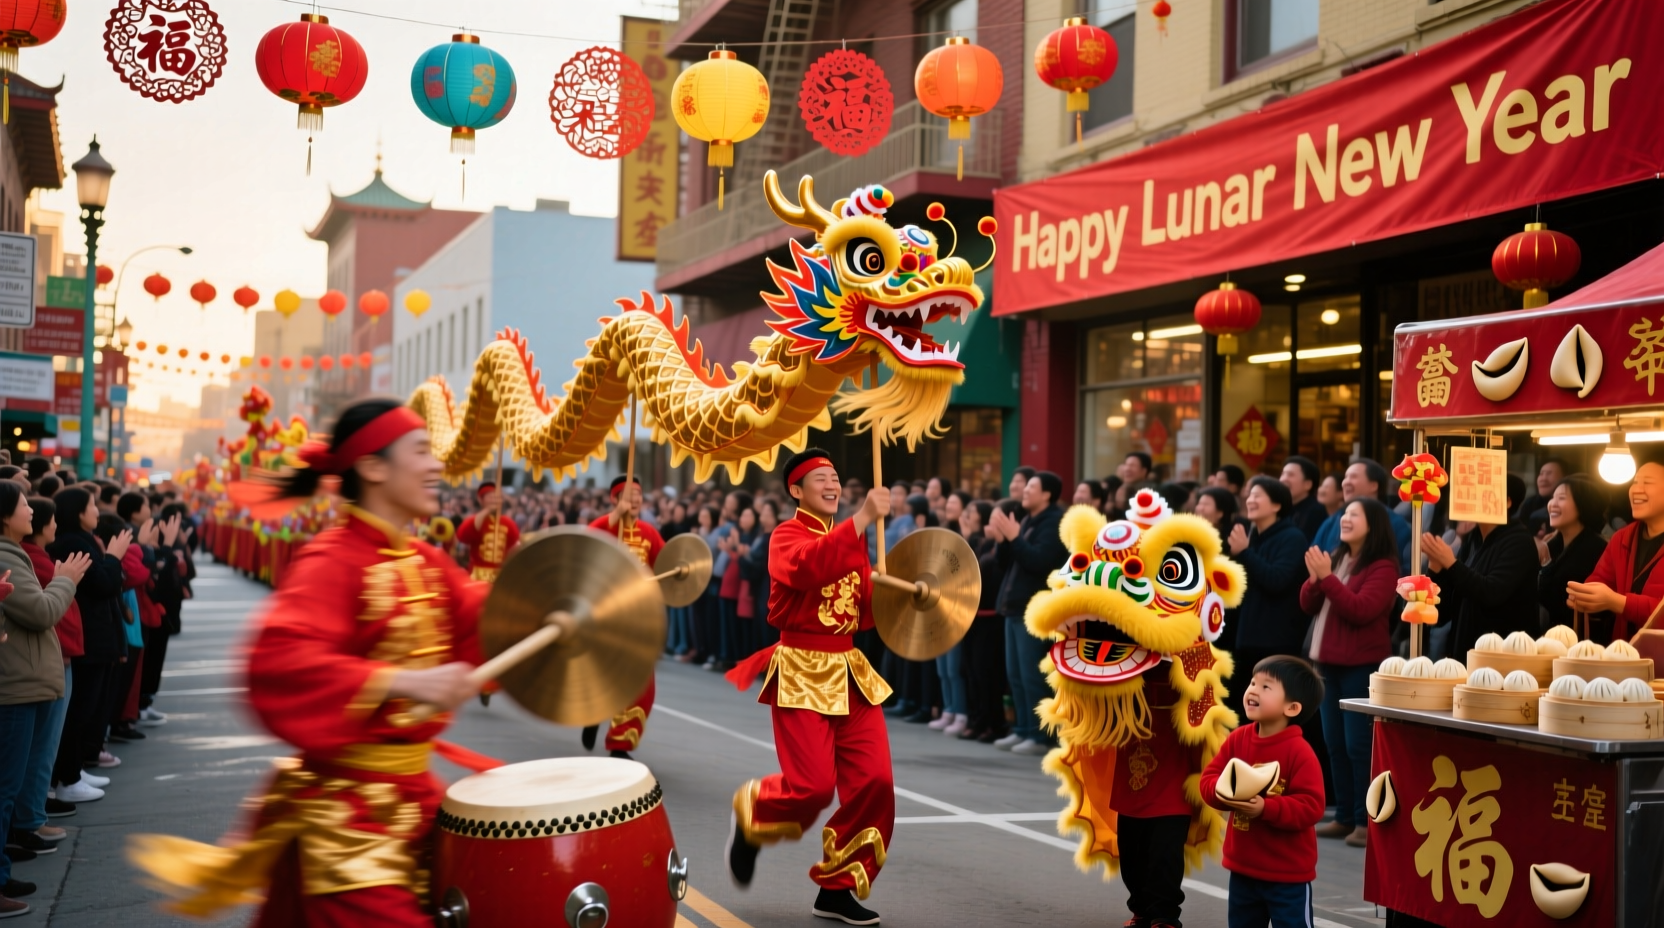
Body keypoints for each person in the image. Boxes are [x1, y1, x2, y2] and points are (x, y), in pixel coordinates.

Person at [129, 398, 489, 925]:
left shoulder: (427, 561)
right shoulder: (332, 558)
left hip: (419, 805)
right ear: (372, 466)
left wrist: (569, 593)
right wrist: (403, 682)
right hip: (350, 826)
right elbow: (280, 660)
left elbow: (486, 619)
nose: (437, 466)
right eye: (421, 451)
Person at [724, 449, 895, 926]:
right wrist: (862, 518)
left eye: (836, 477)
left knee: (876, 782)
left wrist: (909, 595)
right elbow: (806, 569)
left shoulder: (854, 536)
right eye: (821, 477)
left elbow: (863, 612)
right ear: (797, 490)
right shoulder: (787, 535)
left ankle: (837, 889)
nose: (833, 484)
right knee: (813, 787)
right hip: (801, 669)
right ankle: (754, 815)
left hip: (849, 669)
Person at [0, 486, 85, 913]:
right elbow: (42, 612)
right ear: (4, 516)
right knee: (5, 786)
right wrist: (65, 581)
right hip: (14, 685)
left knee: (9, 784)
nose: (31, 509)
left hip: (19, 681)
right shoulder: (6, 556)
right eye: (23, 504)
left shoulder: (12, 552)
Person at [1299, 497, 1398, 849]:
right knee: (1334, 744)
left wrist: (1326, 579)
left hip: (1360, 665)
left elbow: (1361, 609)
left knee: (1358, 745)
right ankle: (1343, 816)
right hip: (1326, 663)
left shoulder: (1383, 566)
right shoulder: (1339, 557)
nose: (1345, 518)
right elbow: (1309, 605)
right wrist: (1315, 581)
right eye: (1344, 513)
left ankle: (1363, 820)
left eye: (1354, 514)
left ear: (1374, 524)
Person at [1199, 657, 1326, 928]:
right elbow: (1209, 778)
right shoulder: (1238, 739)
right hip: (1243, 868)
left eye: (1266, 687)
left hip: (1287, 875)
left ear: (1291, 707)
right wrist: (1221, 793)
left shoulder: (1300, 752)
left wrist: (1265, 808)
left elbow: (1311, 806)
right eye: (1253, 682)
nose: (1253, 690)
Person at [47, 487, 130, 799]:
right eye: (92, 505)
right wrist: (114, 557)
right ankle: (66, 778)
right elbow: (103, 584)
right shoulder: (72, 543)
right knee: (79, 710)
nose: (97, 511)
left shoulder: (79, 540)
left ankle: (74, 770)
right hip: (88, 638)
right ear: (79, 512)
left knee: (86, 708)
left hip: (95, 636)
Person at [583, 475, 666, 760]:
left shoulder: (649, 533)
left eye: (639, 495)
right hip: (604, 613)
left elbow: (666, 565)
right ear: (614, 499)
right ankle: (595, 711)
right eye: (628, 495)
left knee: (641, 682)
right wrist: (613, 518)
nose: (635, 500)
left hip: (638, 617)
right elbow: (586, 543)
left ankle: (620, 744)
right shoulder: (602, 527)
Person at [988, 470, 1068, 757]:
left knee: (1032, 674)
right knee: (1016, 674)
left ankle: (1040, 735)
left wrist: (1015, 538)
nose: (1024, 491)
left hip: (1033, 609)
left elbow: (1040, 562)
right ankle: (1022, 728)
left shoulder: (1054, 523)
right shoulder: (1026, 520)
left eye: (1031, 487)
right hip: (1013, 606)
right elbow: (1004, 563)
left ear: (1047, 494)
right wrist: (1003, 540)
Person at [1422, 474, 1539, 654]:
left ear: (1507, 502)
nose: (1471, 500)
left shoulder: (1519, 541)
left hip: (1502, 656)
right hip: (1464, 648)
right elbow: (1445, 609)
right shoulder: (1473, 540)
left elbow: (1491, 592)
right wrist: (1436, 568)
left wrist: (1450, 562)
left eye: (1481, 495)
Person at [1226, 477, 1309, 716]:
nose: (1250, 499)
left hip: (1276, 642)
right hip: (1247, 639)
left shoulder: (1292, 537)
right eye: (1250, 494)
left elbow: (1277, 580)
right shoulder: (1253, 536)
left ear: (1276, 505)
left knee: (1270, 712)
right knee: (1245, 711)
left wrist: (1245, 553)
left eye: (1258, 495)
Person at [1569, 454, 1664, 643]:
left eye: (1648, 482)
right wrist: (1585, 597)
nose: (1636, 489)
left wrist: (1617, 602)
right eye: (1635, 482)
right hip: (1624, 656)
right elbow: (1600, 580)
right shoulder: (1623, 537)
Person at [957, 500, 1007, 744]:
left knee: (987, 673)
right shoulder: (984, 544)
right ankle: (975, 719)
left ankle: (992, 723)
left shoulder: (1003, 549)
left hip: (990, 618)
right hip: (972, 617)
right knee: (970, 671)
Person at [1536, 476, 1609, 636]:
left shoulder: (1596, 548)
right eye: (1552, 497)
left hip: (1580, 644)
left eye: (1561, 498)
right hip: (1548, 639)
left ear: (1583, 505)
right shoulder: (1551, 545)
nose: (1552, 504)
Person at [1312, 460, 1411, 567]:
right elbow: (1314, 557)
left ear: (1373, 486)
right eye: (1346, 477)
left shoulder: (1395, 523)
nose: (1346, 482)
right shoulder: (1333, 520)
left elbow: (1403, 568)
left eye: (1353, 477)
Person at [455, 482, 520, 582]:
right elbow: (462, 536)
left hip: (501, 577)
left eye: (497, 497)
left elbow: (515, 547)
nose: (495, 500)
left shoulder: (508, 523)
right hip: (477, 576)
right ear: (481, 500)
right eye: (490, 497)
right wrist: (487, 510)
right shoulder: (474, 520)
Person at [1280, 456, 1326, 541]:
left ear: (1307, 484)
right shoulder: (1281, 508)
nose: (1283, 479)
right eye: (1283, 474)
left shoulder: (1316, 512)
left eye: (1290, 475)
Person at [1518, 458, 1566, 531]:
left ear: (1564, 478)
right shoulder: (1530, 504)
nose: (1543, 479)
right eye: (1541, 473)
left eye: (1549, 473)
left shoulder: (1568, 505)